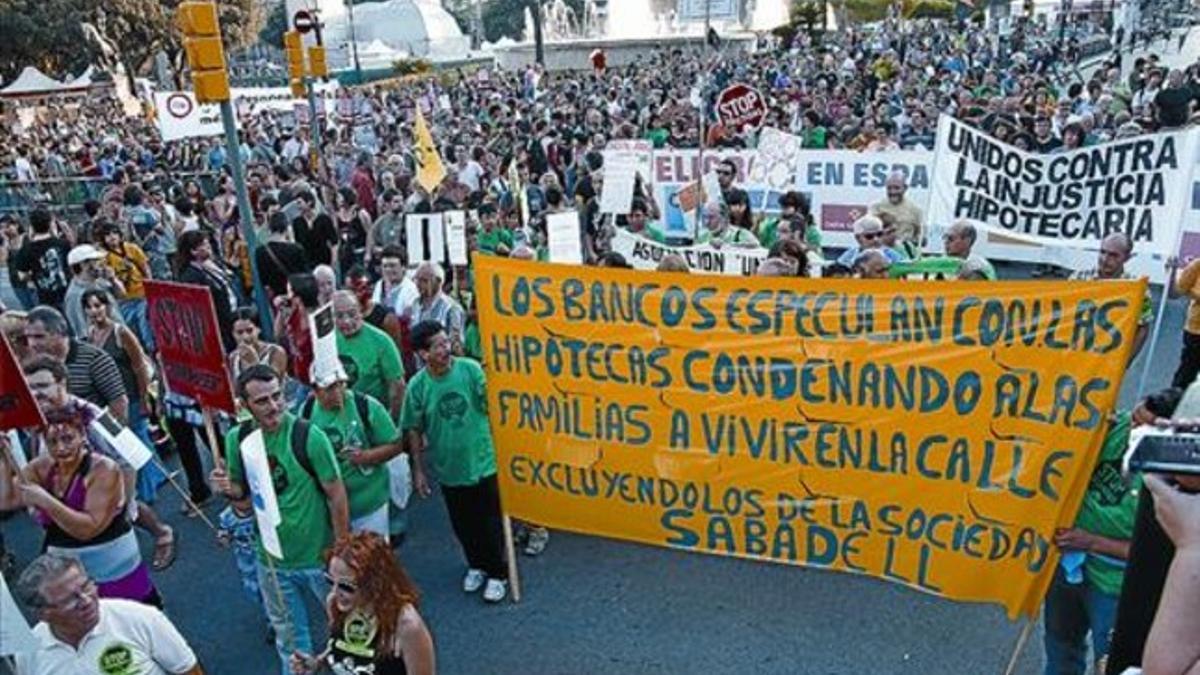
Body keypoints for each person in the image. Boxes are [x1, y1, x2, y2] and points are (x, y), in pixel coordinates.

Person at [210, 364, 350, 675]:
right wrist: (224, 487)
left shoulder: (308, 436)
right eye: (262, 401)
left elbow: (336, 494)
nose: (273, 406)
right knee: (290, 641)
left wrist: (341, 549)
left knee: (346, 631)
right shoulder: (238, 439)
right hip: (272, 560)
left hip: (318, 557)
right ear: (245, 406)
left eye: (277, 396)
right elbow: (243, 499)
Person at [0, 407, 162, 606]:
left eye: (68, 438)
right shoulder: (41, 467)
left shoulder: (103, 469)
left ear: (83, 435)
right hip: (67, 570)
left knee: (134, 616)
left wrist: (46, 501)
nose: (60, 448)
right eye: (52, 442)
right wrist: (4, 460)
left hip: (112, 564)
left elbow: (88, 529)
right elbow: (5, 501)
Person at [401, 320, 509, 603]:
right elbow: (413, 426)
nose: (445, 348)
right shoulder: (418, 386)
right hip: (449, 468)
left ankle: (498, 572)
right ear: (423, 354)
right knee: (463, 523)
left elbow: (493, 405)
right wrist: (418, 470)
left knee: (490, 522)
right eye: (437, 345)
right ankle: (476, 565)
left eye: (446, 342)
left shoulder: (470, 370)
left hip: (483, 462)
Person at [1042, 404, 1141, 675]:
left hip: (1115, 588)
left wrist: (1090, 542)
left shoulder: (1178, 478)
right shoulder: (1117, 424)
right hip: (1067, 566)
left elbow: (1161, 555)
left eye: (1142, 427)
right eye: (1135, 418)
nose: (1131, 428)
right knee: (1060, 648)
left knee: (1109, 664)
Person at [13, 552, 203, 675]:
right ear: (43, 614)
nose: (86, 601)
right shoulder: (28, 652)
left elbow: (188, 670)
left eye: (86, 586)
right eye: (70, 599)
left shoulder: (139, 618)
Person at [290, 532, 436, 675]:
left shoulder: (407, 626)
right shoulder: (336, 604)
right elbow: (340, 647)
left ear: (374, 584)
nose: (335, 592)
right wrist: (317, 662)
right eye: (330, 581)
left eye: (346, 586)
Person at [81, 289, 164, 504]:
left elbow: (139, 366)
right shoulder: (90, 334)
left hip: (131, 396)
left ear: (107, 306)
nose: (94, 311)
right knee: (125, 442)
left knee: (137, 441)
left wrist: (145, 398)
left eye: (98, 305)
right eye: (89, 307)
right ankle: (154, 478)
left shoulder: (121, 332)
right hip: (108, 400)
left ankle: (148, 493)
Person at [302, 364, 403, 539]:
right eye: (329, 388)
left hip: (369, 506)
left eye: (341, 384)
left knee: (373, 562)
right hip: (330, 510)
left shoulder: (366, 406)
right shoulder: (307, 410)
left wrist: (366, 456)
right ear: (316, 391)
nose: (338, 392)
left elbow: (396, 445)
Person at [1069, 233, 1151, 365]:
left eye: (1113, 255)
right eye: (1102, 252)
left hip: (1108, 360)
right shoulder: (1077, 279)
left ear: (1127, 258)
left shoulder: (1139, 289)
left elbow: (1142, 328)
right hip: (1075, 354)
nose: (1105, 259)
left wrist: (1125, 362)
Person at [333, 290, 407, 419]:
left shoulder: (381, 341)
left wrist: (391, 420)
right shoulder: (327, 339)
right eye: (339, 316)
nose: (346, 321)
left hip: (374, 416)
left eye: (352, 314)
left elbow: (397, 387)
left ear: (361, 312)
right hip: (341, 414)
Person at [176, 230, 237, 352]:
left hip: (231, 314)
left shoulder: (212, 263)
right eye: (204, 244)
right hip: (219, 325)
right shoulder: (190, 276)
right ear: (193, 251)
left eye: (207, 243)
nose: (208, 246)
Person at [62, 243, 124, 339]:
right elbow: (81, 332)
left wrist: (113, 279)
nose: (100, 264)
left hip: (120, 336)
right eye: (95, 261)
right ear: (83, 265)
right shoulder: (74, 295)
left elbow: (121, 295)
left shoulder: (100, 281)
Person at [11, 207, 70, 308]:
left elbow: (21, 276)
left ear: (32, 226)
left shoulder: (26, 249)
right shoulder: (63, 244)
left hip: (44, 297)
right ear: (49, 223)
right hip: (66, 293)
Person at [412, 262, 466, 355]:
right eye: (417, 280)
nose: (418, 284)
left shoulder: (452, 308)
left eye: (424, 281)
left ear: (438, 282)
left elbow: (456, 346)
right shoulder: (415, 304)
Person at [255, 212, 311, 299]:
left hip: (277, 299)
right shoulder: (296, 249)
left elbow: (264, 280)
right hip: (296, 297)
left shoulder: (260, 252)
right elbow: (306, 275)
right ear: (287, 228)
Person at [869, 171, 923, 256]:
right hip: (880, 256)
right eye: (889, 188)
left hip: (906, 257)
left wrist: (906, 244)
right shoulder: (876, 208)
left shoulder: (915, 210)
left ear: (905, 188)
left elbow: (920, 238)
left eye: (897, 188)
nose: (893, 192)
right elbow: (869, 234)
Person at [1168, 255, 1200, 388]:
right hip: (1196, 334)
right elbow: (1175, 293)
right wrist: (1172, 271)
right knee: (1184, 379)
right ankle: (1174, 407)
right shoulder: (1197, 266)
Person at [836, 215, 904, 268]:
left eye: (879, 234)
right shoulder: (849, 256)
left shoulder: (892, 255)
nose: (876, 239)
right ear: (858, 238)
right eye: (869, 236)